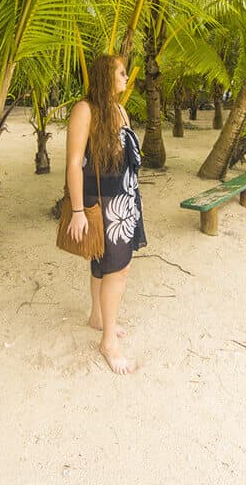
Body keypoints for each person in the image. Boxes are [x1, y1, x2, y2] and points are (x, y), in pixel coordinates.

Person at [65, 55, 147, 374]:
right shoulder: (85, 110)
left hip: (125, 198)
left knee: (104, 264)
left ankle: (98, 317)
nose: (126, 77)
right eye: (121, 72)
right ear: (105, 75)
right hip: (103, 201)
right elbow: (74, 162)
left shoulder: (119, 110)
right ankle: (109, 342)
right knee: (118, 269)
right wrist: (77, 211)